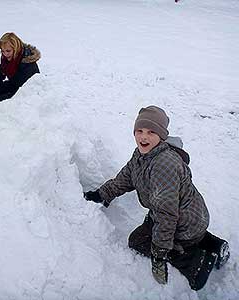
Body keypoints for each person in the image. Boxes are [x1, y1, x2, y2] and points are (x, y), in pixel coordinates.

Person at [84, 106, 229, 291]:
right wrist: (101, 194)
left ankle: (197, 264)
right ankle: (214, 244)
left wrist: (159, 253)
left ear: (161, 136)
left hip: (183, 221)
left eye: (151, 132)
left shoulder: (163, 165)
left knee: (138, 242)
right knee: (154, 231)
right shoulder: (142, 155)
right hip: (188, 216)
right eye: (140, 131)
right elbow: (125, 179)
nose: (144, 137)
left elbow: (167, 215)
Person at [0, 32, 40, 103]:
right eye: (2, 51)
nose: (5, 54)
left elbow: (15, 85)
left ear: (16, 48)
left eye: (8, 51)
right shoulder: (8, 58)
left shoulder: (27, 63)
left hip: (29, 95)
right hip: (14, 86)